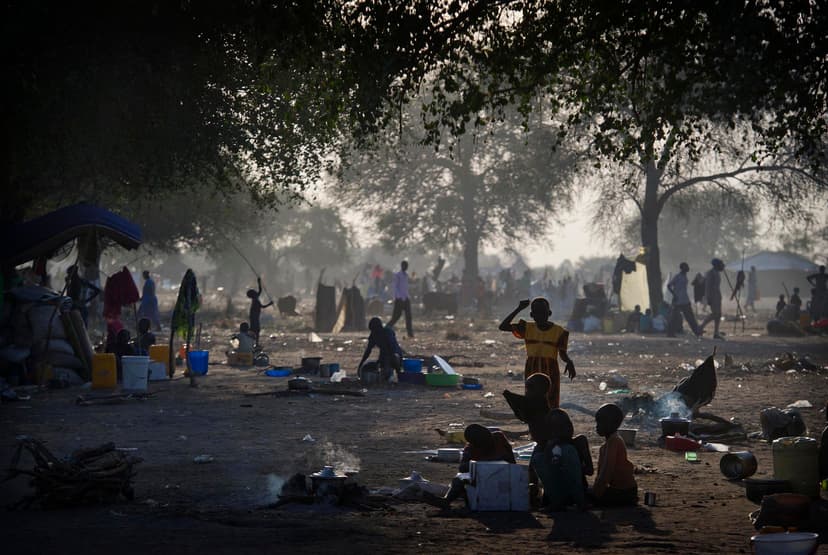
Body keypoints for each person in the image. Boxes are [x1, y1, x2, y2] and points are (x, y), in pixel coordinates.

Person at [499, 297, 575, 408]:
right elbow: (503, 326)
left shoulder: (560, 332)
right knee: (531, 401)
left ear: (549, 313)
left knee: (551, 401)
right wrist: (519, 308)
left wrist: (569, 361)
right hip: (531, 369)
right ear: (532, 315)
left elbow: (562, 353)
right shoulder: (527, 327)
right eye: (537, 313)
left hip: (550, 370)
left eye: (543, 313)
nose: (540, 316)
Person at [422, 424, 515, 509]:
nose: (488, 443)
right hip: (482, 479)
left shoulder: (499, 438)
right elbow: (462, 468)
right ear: (476, 443)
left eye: (488, 439)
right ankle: (447, 500)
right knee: (458, 479)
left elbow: (512, 461)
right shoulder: (470, 449)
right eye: (484, 442)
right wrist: (479, 464)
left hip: (505, 476)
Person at [531, 409, 590, 511]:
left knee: (568, 451)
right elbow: (533, 475)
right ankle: (556, 502)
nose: (562, 431)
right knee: (538, 457)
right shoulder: (543, 447)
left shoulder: (579, 442)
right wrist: (548, 452)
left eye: (566, 426)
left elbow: (590, 471)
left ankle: (580, 502)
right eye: (556, 428)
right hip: (554, 494)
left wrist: (569, 466)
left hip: (576, 493)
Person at [589, 403, 638, 507]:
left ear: (611, 424)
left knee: (585, 495)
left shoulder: (614, 442)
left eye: (600, 423)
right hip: (621, 490)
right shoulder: (606, 445)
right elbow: (602, 474)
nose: (597, 426)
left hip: (624, 492)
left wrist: (595, 495)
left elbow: (607, 471)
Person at [357, 317, 403, 382]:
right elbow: (368, 350)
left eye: (374, 330)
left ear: (379, 327)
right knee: (381, 373)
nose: (373, 332)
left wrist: (388, 362)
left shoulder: (387, 332)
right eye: (372, 330)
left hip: (394, 355)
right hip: (384, 356)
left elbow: (392, 349)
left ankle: (398, 376)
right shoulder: (373, 335)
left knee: (390, 369)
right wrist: (361, 365)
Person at [667, 262, 702, 337]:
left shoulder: (685, 276)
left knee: (690, 317)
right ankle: (670, 333)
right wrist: (674, 294)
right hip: (678, 300)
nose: (688, 268)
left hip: (684, 299)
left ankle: (696, 332)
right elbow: (669, 285)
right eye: (686, 267)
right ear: (683, 268)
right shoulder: (678, 276)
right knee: (675, 318)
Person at [699, 258, 725, 340]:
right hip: (712, 296)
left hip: (717, 295)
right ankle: (700, 327)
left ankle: (716, 332)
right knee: (715, 314)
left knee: (719, 315)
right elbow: (707, 287)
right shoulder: (710, 273)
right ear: (716, 265)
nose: (722, 266)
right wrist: (707, 298)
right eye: (720, 264)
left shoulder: (717, 273)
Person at [387, 260, 414, 338]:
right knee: (396, 317)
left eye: (406, 266)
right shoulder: (398, 275)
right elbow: (395, 287)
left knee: (408, 316)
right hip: (399, 299)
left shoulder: (406, 275)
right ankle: (385, 329)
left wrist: (406, 297)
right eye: (404, 266)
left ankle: (410, 334)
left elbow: (405, 288)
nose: (406, 267)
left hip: (406, 298)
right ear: (402, 266)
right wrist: (399, 297)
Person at [246, 277, 272, 348]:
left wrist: (259, 282)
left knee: (254, 330)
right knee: (255, 330)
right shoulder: (255, 300)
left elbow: (260, 290)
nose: (255, 291)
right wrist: (270, 304)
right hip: (254, 317)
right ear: (253, 294)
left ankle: (253, 343)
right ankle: (255, 344)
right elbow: (262, 307)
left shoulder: (255, 298)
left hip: (254, 316)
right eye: (254, 291)